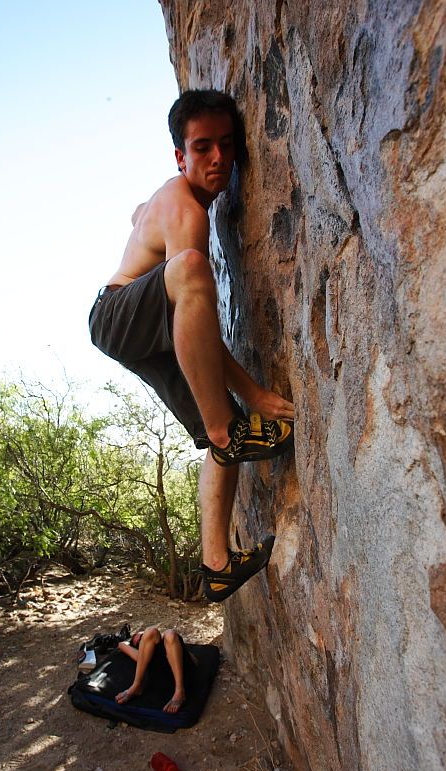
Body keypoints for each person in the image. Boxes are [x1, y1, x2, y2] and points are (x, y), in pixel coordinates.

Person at [89, 89, 295, 602]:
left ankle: (217, 563)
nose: (220, 157)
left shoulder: (170, 199)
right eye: (203, 148)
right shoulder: (188, 214)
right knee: (191, 270)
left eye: (227, 144)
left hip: (145, 330)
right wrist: (259, 396)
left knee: (213, 426)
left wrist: (143, 217)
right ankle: (229, 431)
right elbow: (190, 295)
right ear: (180, 157)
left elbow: (139, 211)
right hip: (115, 315)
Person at [115, 626, 197, 714]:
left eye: (142, 636)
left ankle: (179, 691)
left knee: (165, 633)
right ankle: (137, 685)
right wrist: (123, 643)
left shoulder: (169, 642)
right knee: (154, 632)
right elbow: (122, 646)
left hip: (183, 671)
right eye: (139, 641)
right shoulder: (143, 657)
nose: (141, 638)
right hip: (164, 676)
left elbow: (194, 660)